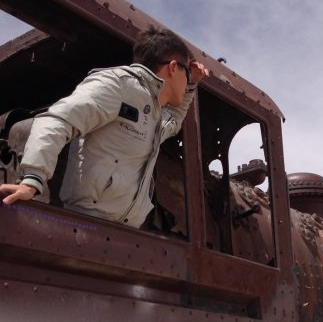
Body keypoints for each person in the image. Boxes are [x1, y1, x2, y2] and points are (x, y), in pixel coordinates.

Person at [0, 26, 208, 228]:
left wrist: (191, 85)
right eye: (186, 73)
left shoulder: (153, 112)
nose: (188, 79)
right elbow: (58, 120)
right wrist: (32, 180)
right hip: (86, 224)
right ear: (173, 67)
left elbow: (173, 122)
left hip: (125, 229)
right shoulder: (118, 85)